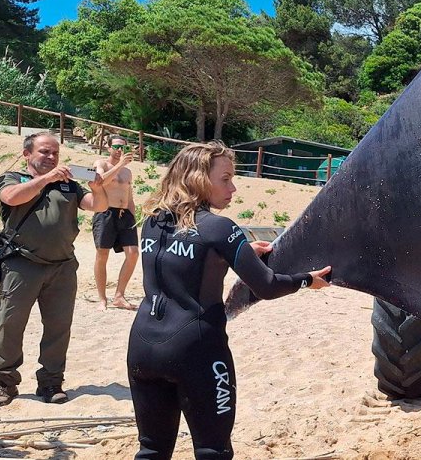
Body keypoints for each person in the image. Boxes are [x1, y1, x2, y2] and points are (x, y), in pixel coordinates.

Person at [127, 141, 331, 460]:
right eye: (225, 178)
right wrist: (307, 280)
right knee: (213, 451)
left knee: (152, 449)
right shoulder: (220, 228)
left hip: (142, 347)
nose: (233, 187)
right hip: (196, 350)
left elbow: (184, 259)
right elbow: (266, 286)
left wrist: (240, 254)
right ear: (197, 178)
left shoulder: (153, 221)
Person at [0, 131, 109, 407]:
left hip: (62, 267)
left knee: (58, 327)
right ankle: (5, 383)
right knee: (10, 324)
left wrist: (98, 186)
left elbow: (98, 205)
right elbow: (11, 198)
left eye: (55, 153)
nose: (51, 157)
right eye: (45, 152)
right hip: (22, 264)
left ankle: (51, 383)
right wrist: (46, 179)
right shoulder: (14, 178)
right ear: (27, 154)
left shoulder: (68, 186)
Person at [92, 136, 137, 310]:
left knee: (133, 253)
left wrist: (133, 216)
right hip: (105, 212)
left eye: (123, 148)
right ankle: (102, 298)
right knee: (102, 255)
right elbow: (99, 181)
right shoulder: (101, 163)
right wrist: (120, 165)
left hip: (125, 214)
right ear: (108, 147)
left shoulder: (127, 172)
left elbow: (129, 196)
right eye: (117, 147)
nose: (120, 150)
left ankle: (119, 295)